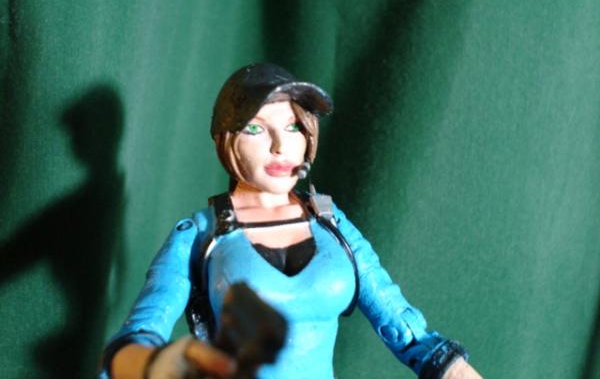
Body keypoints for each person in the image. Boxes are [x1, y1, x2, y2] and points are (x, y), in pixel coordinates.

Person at [100, 63, 483, 379]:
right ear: (226, 139)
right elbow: (140, 334)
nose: (280, 147)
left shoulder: (331, 222)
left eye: (293, 127)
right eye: (255, 128)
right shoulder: (201, 235)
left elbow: (402, 324)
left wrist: (452, 368)